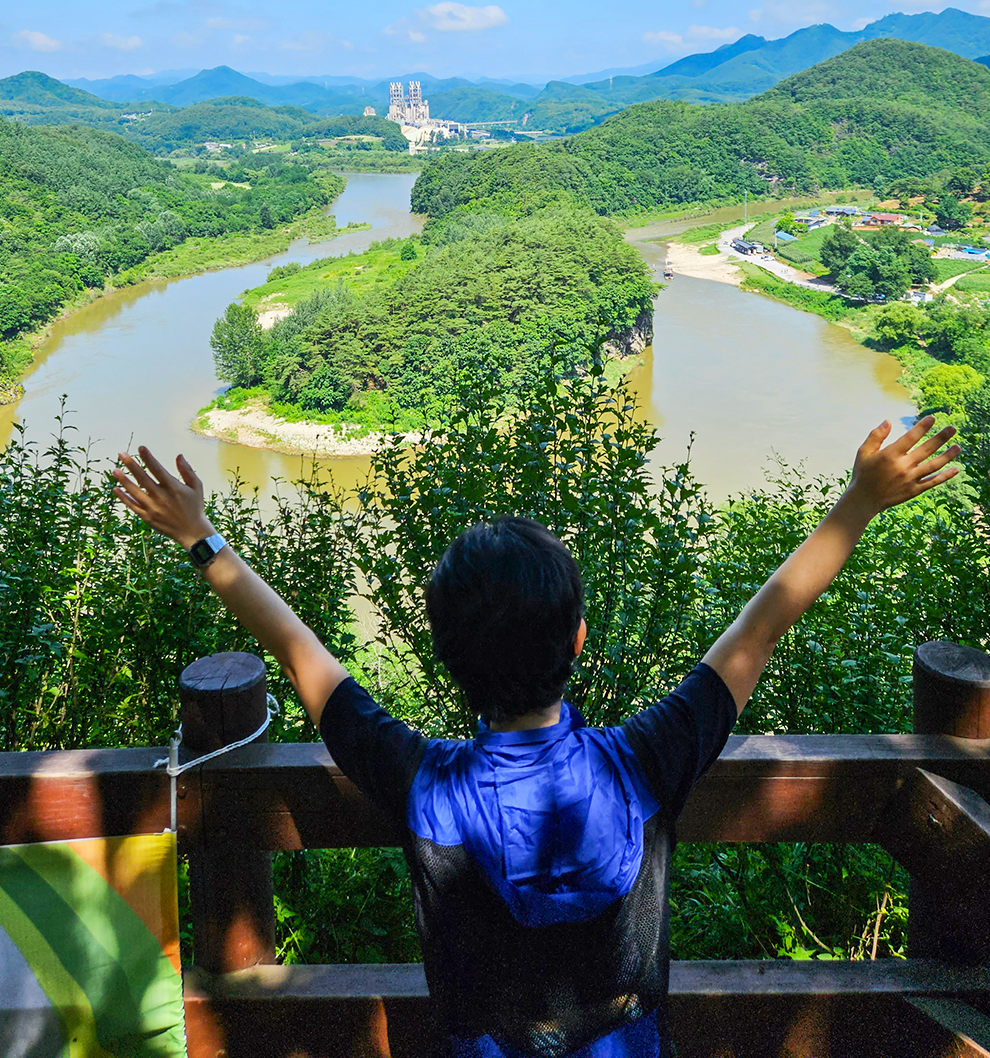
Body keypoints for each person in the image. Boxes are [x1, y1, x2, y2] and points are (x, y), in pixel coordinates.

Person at [113, 415, 959, 1058]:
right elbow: (762, 623)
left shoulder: (425, 786)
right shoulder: (643, 764)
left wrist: (202, 537)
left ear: (446, 657)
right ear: (580, 638)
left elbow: (302, 651)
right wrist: (860, 500)